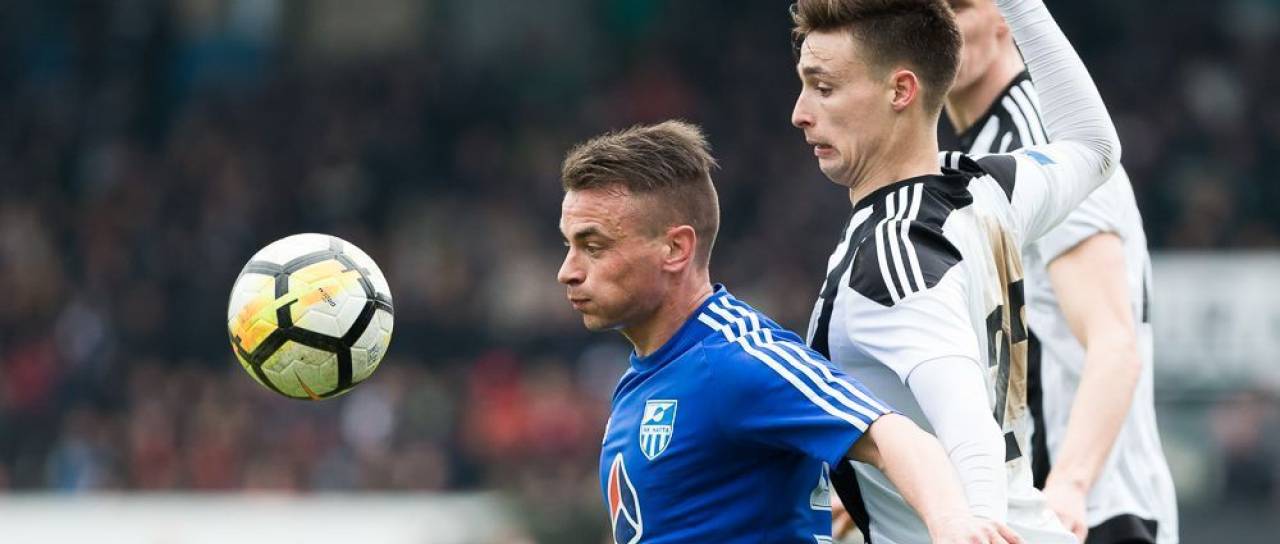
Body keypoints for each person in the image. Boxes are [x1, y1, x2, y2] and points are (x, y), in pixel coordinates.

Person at [556, 120, 1021, 543]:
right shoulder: (641, 378)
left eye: (593, 246)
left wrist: (952, 523)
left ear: (675, 249)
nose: (568, 271)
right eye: (568, 245)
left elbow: (892, 434)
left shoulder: (737, 359)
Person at [789, 0, 1119, 542]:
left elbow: (971, 432)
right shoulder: (986, 187)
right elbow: (1094, 145)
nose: (800, 113)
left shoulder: (894, 259)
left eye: (823, 88)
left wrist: (977, 522)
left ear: (901, 91)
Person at [939, 1, 1179, 542]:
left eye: (959, 5)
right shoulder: (978, 155)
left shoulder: (1044, 141)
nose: (943, 23)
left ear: (1006, 15)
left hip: (1096, 509)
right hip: (1039, 504)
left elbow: (1114, 343)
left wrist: (1070, 483)